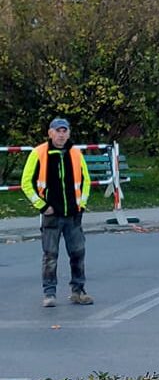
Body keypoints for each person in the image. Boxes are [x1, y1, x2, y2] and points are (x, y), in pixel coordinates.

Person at [20, 118, 94, 307]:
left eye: (65, 131)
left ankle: (78, 291)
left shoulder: (76, 154)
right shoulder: (38, 153)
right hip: (51, 215)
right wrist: (43, 206)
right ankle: (49, 293)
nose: (61, 135)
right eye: (58, 131)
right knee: (50, 255)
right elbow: (26, 183)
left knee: (78, 253)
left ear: (69, 133)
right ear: (50, 133)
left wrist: (82, 205)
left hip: (73, 214)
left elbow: (86, 181)